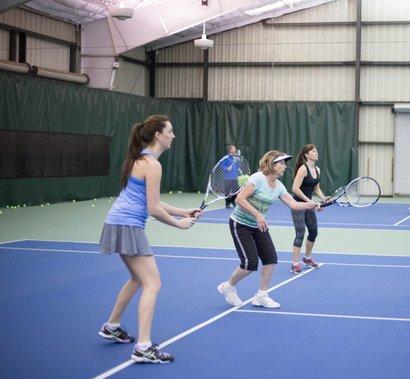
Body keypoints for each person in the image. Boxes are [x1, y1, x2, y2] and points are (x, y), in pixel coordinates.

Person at [98, 115, 202, 364]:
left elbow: (149, 200)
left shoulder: (140, 158)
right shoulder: (153, 164)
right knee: (152, 284)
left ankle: (112, 326)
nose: (173, 136)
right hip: (129, 226)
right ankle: (143, 347)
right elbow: (154, 208)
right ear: (158, 135)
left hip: (116, 222)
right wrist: (180, 224)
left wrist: (183, 211)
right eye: (170, 131)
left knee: (137, 278)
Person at [217, 150, 319, 309]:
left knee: (270, 259)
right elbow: (239, 199)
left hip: (259, 226)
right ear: (271, 163)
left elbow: (294, 204)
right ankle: (228, 287)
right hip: (240, 224)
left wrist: (312, 205)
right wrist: (258, 215)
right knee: (249, 263)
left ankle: (261, 296)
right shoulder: (257, 179)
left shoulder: (279, 186)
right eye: (281, 163)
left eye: (285, 163)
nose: (285, 166)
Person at [290, 144, 327, 274]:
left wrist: (323, 199)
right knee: (300, 233)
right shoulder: (303, 169)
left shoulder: (317, 169)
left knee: (313, 232)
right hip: (298, 204)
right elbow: (295, 189)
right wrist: (310, 202)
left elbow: (316, 188)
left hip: (309, 204)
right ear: (306, 154)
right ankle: (295, 263)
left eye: (317, 151)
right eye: (313, 151)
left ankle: (307, 258)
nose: (316, 153)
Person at [224, 144, 239, 209]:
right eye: (234, 148)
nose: (235, 149)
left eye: (235, 148)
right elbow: (222, 165)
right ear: (230, 150)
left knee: (235, 191)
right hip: (227, 178)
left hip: (235, 177)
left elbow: (237, 166)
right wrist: (226, 168)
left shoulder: (235, 157)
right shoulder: (226, 157)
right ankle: (227, 203)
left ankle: (233, 201)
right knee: (227, 191)